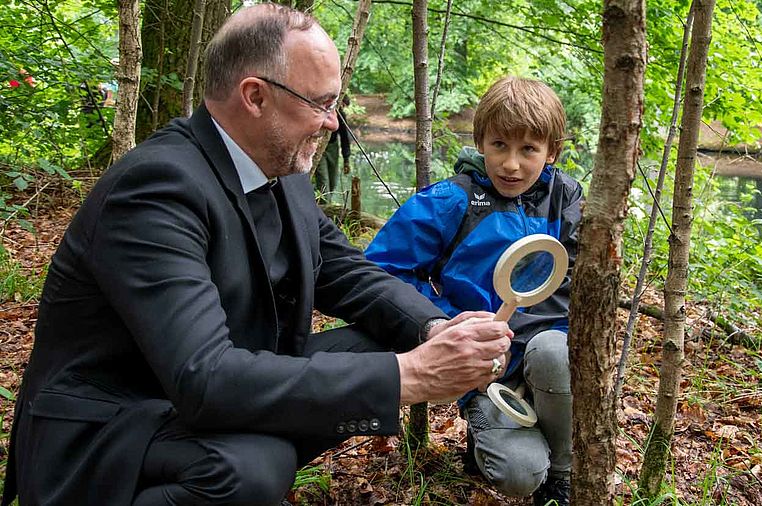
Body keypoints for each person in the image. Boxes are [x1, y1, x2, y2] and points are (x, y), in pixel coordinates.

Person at [1, 6, 514, 506]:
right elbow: (203, 376)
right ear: (255, 97)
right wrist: (413, 374)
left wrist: (434, 329)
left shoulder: (281, 169)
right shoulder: (156, 187)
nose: (333, 123)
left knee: (376, 342)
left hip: (206, 393)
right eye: (321, 102)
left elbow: (344, 270)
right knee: (250, 466)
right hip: (114, 424)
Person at [365, 76, 582, 506]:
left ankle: (562, 474)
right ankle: (494, 432)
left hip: (546, 350)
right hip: (485, 366)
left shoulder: (565, 196)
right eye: (499, 145)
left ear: (552, 152)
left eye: (528, 150)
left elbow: (579, 279)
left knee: (557, 354)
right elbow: (379, 271)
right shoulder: (453, 200)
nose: (511, 165)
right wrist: (445, 322)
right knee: (519, 475)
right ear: (480, 140)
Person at [313, 95, 350, 203]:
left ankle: (323, 203)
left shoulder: (340, 115)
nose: (342, 108)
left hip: (332, 147)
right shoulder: (321, 111)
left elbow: (344, 138)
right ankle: (324, 207)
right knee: (323, 182)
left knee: (333, 182)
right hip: (319, 148)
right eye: (342, 105)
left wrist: (346, 159)